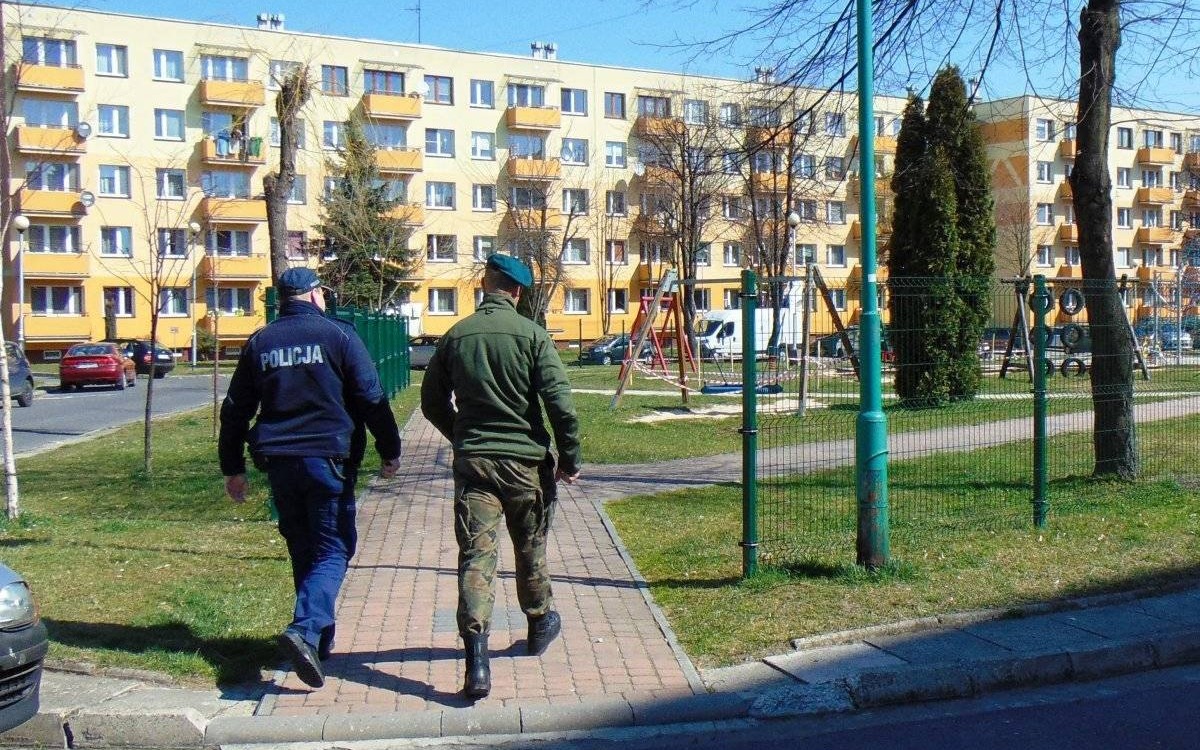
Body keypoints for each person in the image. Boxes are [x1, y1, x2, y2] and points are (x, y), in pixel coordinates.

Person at [219, 267, 402, 689]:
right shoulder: (339, 336)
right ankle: (305, 629)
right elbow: (371, 397)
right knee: (334, 548)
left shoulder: (260, 342)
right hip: (329, 461)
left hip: (280, 462)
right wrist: (389, 449)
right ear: (316, 296)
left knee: (305, 549)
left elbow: (235, 411)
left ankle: (316, 643)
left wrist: (233, 467)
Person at [421, 254, 581, 699]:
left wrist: (463, 435)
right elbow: (560, 406)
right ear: (517, 291)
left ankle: (477, 662)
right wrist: (568, 459)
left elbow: (431, 402)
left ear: (485, 284)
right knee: (530, 548)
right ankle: (539, 622)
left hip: (475, 466)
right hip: (525, 465)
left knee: (477, 557)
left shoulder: (456, 336)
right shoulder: (533, 337)